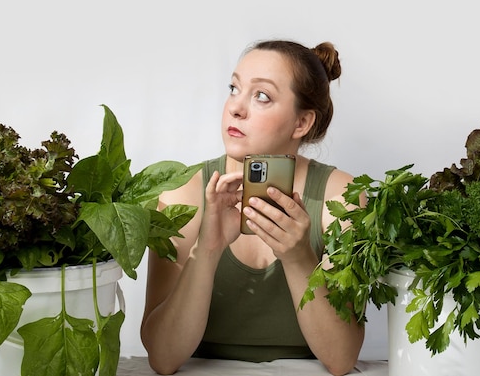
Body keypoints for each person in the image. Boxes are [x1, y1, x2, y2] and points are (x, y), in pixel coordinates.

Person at [140, 39, 365, 376]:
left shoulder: (342, 198)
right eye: (234, 88)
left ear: (301, 123)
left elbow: (340, 359)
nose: (235, 108)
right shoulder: (181, 195)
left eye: (262, 96)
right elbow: (163, 357)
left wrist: (298, 256)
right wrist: (209, 249)